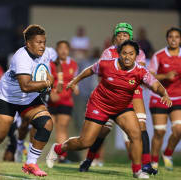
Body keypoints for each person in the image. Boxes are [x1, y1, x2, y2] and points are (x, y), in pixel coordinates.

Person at [46, 40, 172, 179]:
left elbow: (155, 85)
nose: (127, 57)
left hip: (122, 108)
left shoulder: (140, 71)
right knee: (85, 142)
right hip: (99, 105)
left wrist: (164, 94)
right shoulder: (107, 64)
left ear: (136, 56)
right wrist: (75, 80)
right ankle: (58, 148)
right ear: (119, 54)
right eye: (124, 53)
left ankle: (137, 171)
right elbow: (90, 70)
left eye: (131, 54)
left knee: (136, 135)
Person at [0, 24, 61, 177]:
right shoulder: (21, 57)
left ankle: (31, 162)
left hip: (29, 99)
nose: (42, 46)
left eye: (44, 42)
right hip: (7, 98)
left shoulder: (46, 52)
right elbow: (25, 85)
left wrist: (54, 80)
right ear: (28, 43)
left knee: (46, 123)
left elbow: (51, 67)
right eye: (38, 42)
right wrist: (45, 84)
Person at [79, 22, 157, 175]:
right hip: (110, 95)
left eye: (125, 35)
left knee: (142, 126)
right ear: (115, 38)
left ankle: (146, 164)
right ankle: (88, 160)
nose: (122, 37)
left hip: (133, 93)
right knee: (102, 131)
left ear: (131, 37)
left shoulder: (139, 52)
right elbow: (104, 73)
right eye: (119, 35)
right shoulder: (108, 52)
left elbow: (137, 72)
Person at [149, 27, 181, 171]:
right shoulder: (159, 56)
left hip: (178, 98)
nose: (174, 39)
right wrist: (165, 76)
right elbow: (149, 76)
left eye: (177, 37)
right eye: (171, 37)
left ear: (180, 39)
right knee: (159, 131)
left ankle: (167, 154)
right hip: (160, 97)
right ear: (167, 39)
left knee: (179, 130)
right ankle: (153, 162)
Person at [48, 40, 79, 162]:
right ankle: (35, 155)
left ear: (69, 50)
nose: (63, 50)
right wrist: (50, 93)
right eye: (60, 48)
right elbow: (46, 80)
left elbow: (75, 80)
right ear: (57, 50)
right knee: (48, 126)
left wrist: (76, 87)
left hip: (66, 101)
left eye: (66, 48)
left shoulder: (74, 64)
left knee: (62, 127)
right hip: (52, 100)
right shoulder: (51, 64)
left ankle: (62, 156)